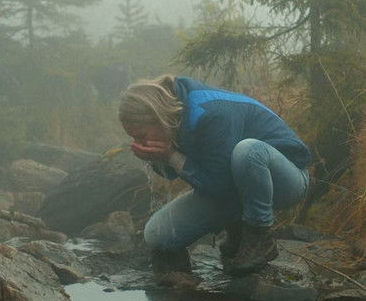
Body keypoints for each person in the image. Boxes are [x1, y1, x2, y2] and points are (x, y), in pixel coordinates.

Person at [119, 75, 311, 276]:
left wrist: (170, 155)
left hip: (286, 181)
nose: (138, 142)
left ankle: (258, 237)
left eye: (141, 136)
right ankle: (235, 234)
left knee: (247, 151)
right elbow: (172, 174)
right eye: (133, 138)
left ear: (159, 118)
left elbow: (218, 185)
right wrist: (158, 158)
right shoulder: (174, 118)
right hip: (234, 191)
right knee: (156, 234)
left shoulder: (210, 112)